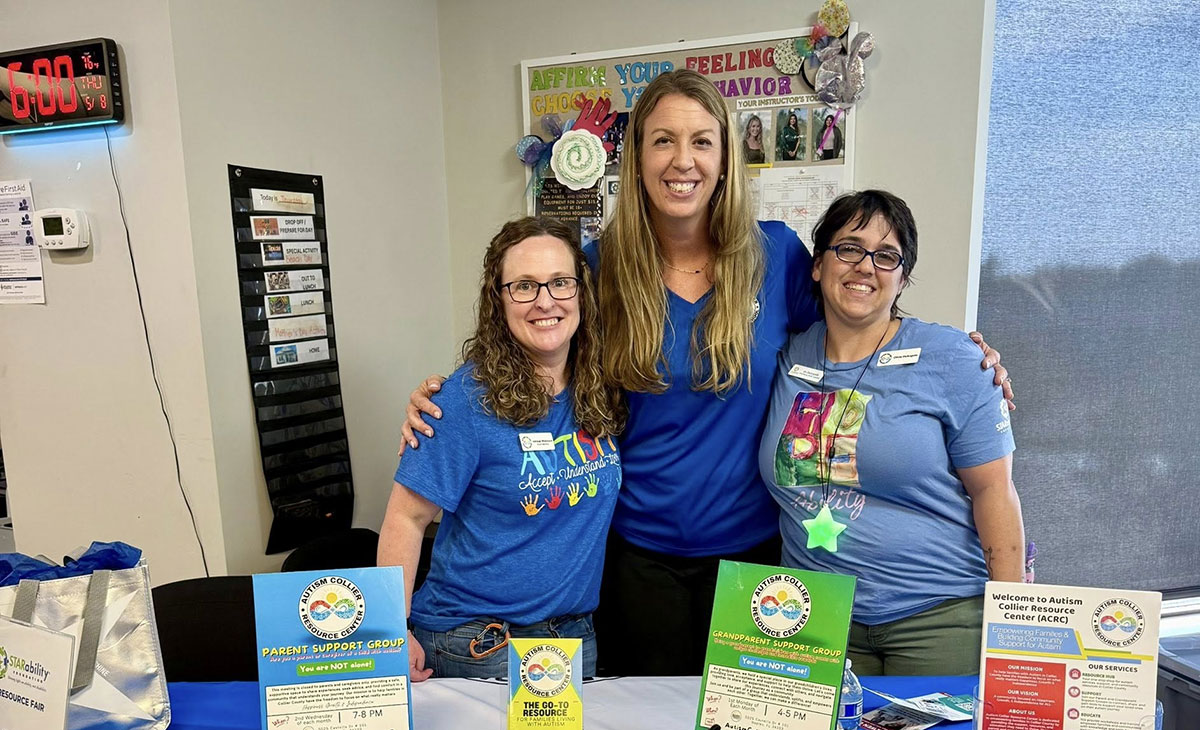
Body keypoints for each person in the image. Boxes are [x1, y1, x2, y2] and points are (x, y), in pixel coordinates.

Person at [400, 70, 1013, 676]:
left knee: (754, 716)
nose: (681, 160)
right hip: (636, 555)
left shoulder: (775, 256)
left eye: (701, 141)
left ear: (725, 158)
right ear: (637, 156)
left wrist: (958, 358)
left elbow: (855, 322)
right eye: (663, 139)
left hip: (758, 557)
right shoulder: (600, 268)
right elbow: (538, 337)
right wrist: (449, 396)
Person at [759, 190, 1025, 675]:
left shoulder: (953, 359)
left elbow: (995, 492)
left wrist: (1014, 629)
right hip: (810, 614)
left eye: (886, 256)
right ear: (817, 265)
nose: (866, 267)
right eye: (849, 248)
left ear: (902, 278)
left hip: (937, 617)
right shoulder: (784, 356)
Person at [378, 216, 624, 680]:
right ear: (499, 299)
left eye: (560, 283)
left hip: (571, 638)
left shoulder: (602, 387)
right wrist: (391, 632)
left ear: (582, 293)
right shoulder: (464, 401)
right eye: (524, 286)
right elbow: (405, 519)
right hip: (477, 641)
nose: (545, 301)